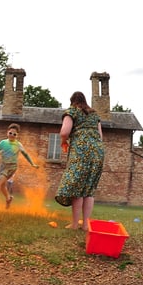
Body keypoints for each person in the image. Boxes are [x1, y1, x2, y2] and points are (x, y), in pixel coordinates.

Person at [55, 91, 105, 231]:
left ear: (72, 101)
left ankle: (76, 224)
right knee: (89, 189)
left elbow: (64, 132)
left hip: (82, 151)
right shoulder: (94, 114)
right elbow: (100, 136)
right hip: (98, 152)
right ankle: (86, 225)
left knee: (77, 188)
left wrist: (64, 142)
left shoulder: (72, 111)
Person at [0, 123, 38, 209]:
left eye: (14, 134)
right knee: (2, 185)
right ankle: (8, 198)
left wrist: (32, 164)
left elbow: (26, 155)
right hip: (3, 166)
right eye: (10, 133)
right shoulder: (3, 142)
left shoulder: (18, 145)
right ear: (7, 132)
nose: (12, 135)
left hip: (11, 167)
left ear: (17, 135)